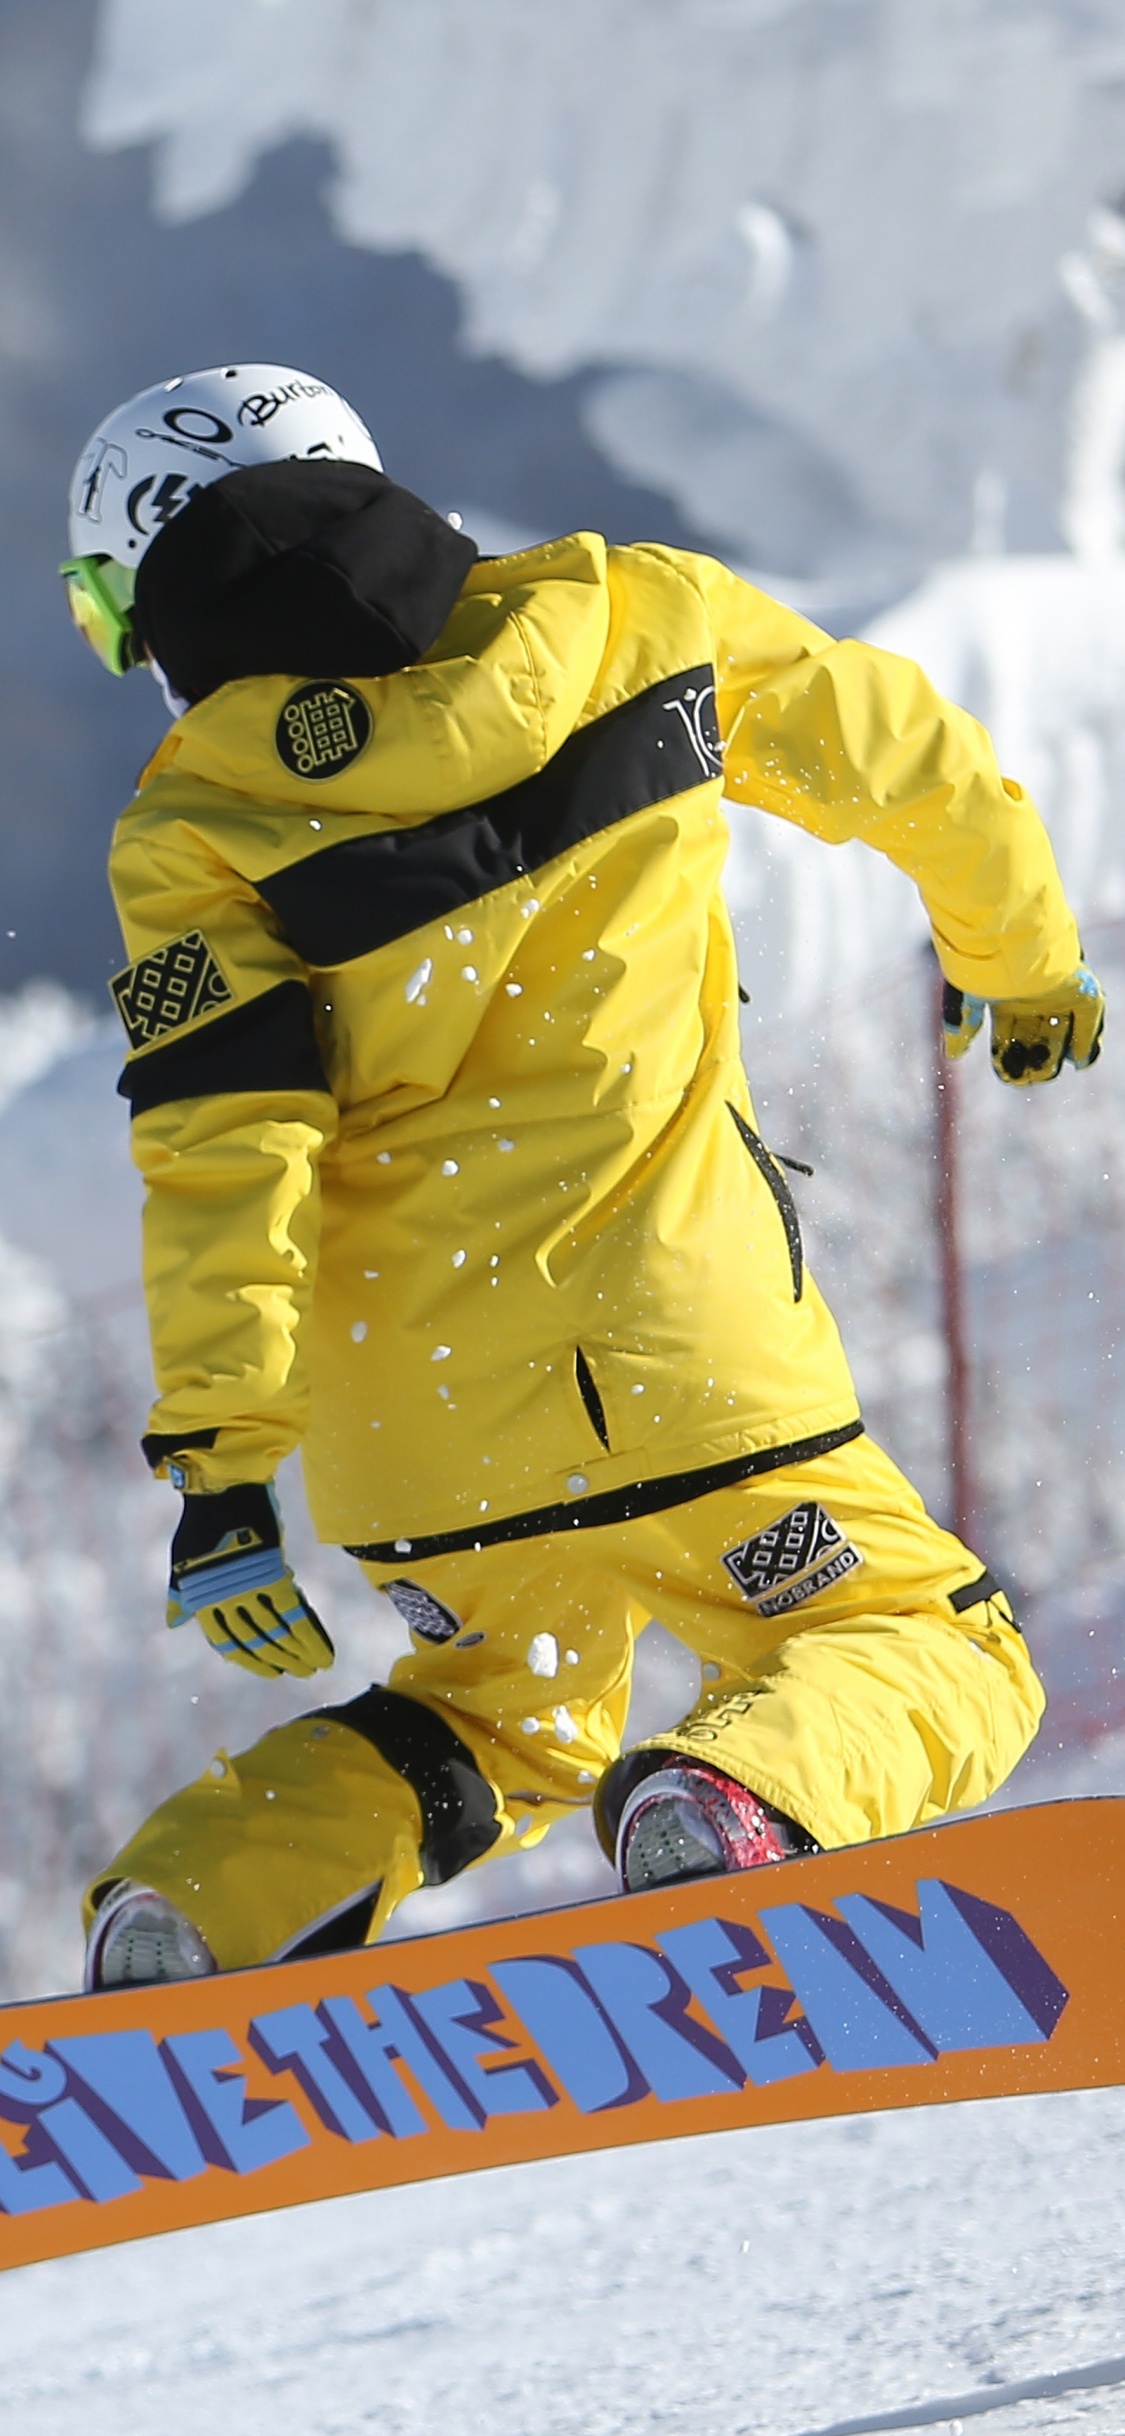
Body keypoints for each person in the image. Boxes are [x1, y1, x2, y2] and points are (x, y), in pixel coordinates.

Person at [61, 361, 1104, 1990]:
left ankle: (201, 1910)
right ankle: (730, 1809)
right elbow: (909, 759)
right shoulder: (636, 617)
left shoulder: (193, 821)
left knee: (496, 1715)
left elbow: (222, 1146)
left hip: (415, 1427)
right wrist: (1019, 961)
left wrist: (222, 1464)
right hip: (678, 1360)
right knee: (923, 1640)